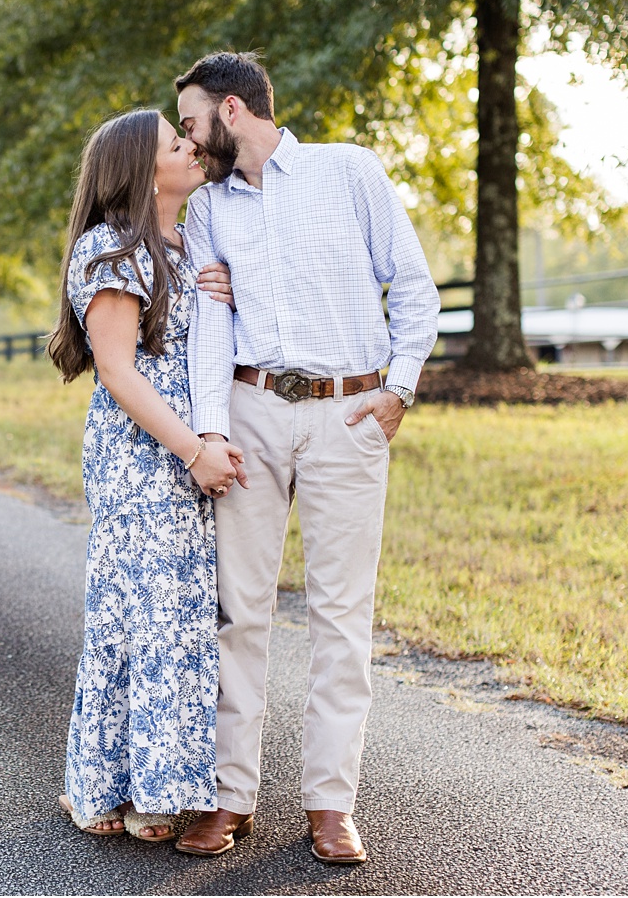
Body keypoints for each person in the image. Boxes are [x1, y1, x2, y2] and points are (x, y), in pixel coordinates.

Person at [171, 51, 440, 864]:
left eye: (190, 121)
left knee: (339, 614)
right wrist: (212, 427)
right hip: (251, 412)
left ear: (231, 111)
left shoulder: (349, 171)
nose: (186, 138)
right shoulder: (208, 208)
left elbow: (414, 284)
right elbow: (213, 322)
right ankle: (230, 797)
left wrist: (400, 387)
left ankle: (330, 803)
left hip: (347, 414)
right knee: (240, 609)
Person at [48, 108, 247, 842]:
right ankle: (103, 784)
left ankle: (153, 786)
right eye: (175, 142)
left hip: (188, 451)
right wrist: (194, 450)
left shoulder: (188, 243)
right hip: (141, 455)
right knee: (139, 619)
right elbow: (120, 373)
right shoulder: (110, 250)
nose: (192, 147)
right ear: (141, 170)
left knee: (175, 617)